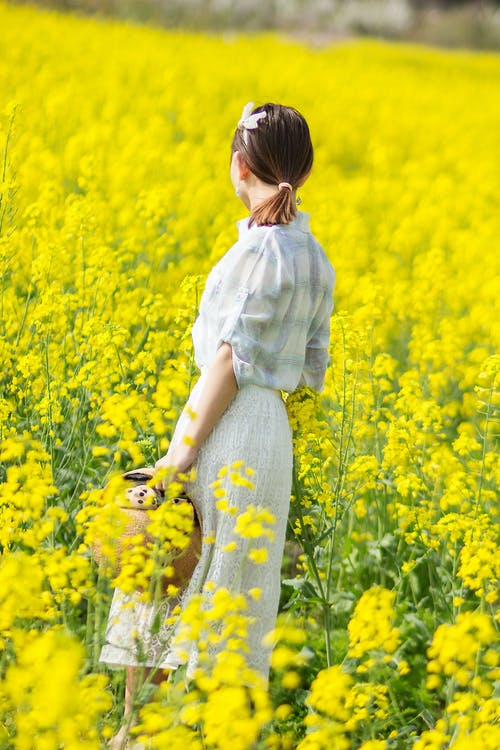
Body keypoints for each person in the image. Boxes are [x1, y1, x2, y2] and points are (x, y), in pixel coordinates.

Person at [100, 101, 335, 748]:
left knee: (158, 564)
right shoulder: (315, 258)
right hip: (270, 438)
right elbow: (312, 372)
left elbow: (228, 362)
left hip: (225, 424)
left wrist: (177, 458)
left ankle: (135, 734)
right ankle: (212, 735)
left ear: (239, 166)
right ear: (303, 172)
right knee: (237, 594)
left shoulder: (259, 251)